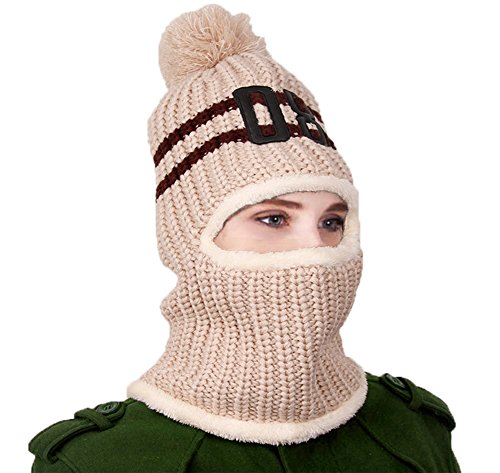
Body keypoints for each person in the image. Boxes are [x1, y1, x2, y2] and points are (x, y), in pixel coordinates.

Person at [28, 4, 461, 472]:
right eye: (273, 219)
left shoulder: (415, 431)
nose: (316, 250)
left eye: (332, 222)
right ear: (188, 239)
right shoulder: (98, 464)